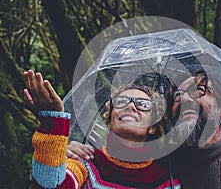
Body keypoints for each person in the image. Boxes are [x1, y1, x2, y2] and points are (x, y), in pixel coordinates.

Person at [68, 70, 221, 189]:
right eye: (177, 96)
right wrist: (70, 151)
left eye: (199, 91)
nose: (185, 100)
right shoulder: (164, 161)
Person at [24, 70, 181, 188]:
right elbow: (51, 185)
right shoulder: (85, 163)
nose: (131, 106)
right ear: (109, 121)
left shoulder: (167, 181)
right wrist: (52, 123)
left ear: (152, 127)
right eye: (122, 101)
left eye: (143, 104)